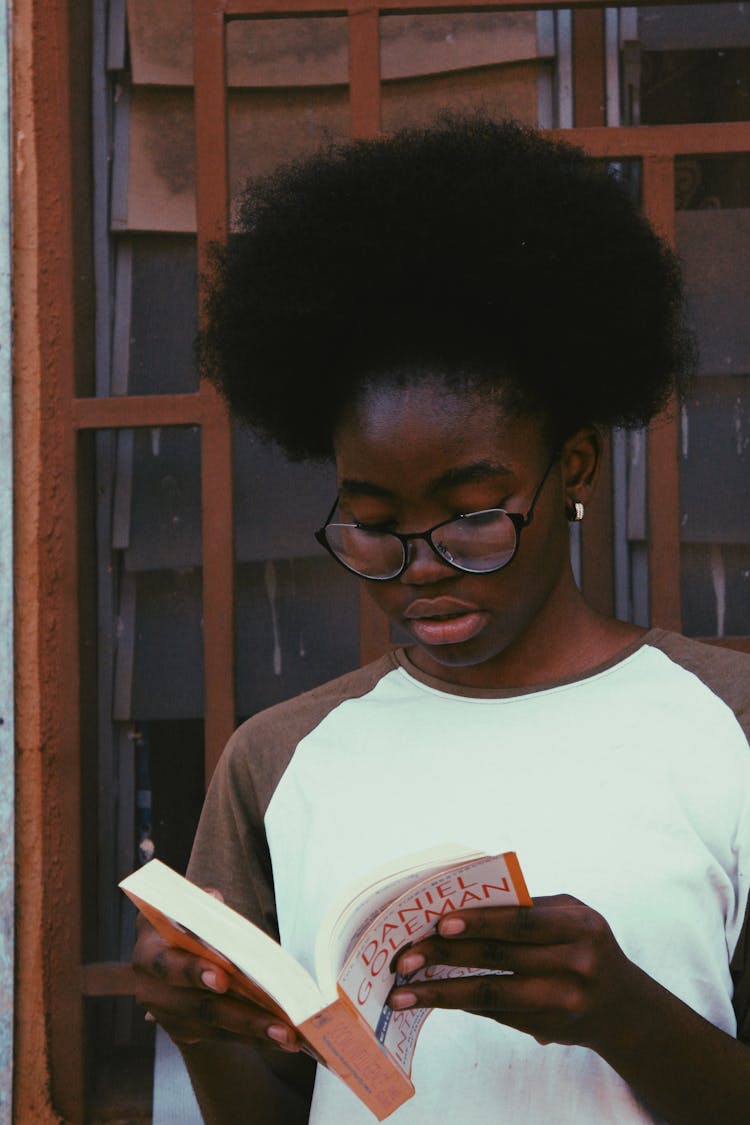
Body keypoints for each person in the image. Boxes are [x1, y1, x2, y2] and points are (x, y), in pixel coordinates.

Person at [132, 116, 750, 1124]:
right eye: (374, 526)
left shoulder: (728, 726)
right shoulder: (279, 760)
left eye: (471, 519)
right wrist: (199, 1030)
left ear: (577, 467)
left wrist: (626, 1017)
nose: (420, 572)